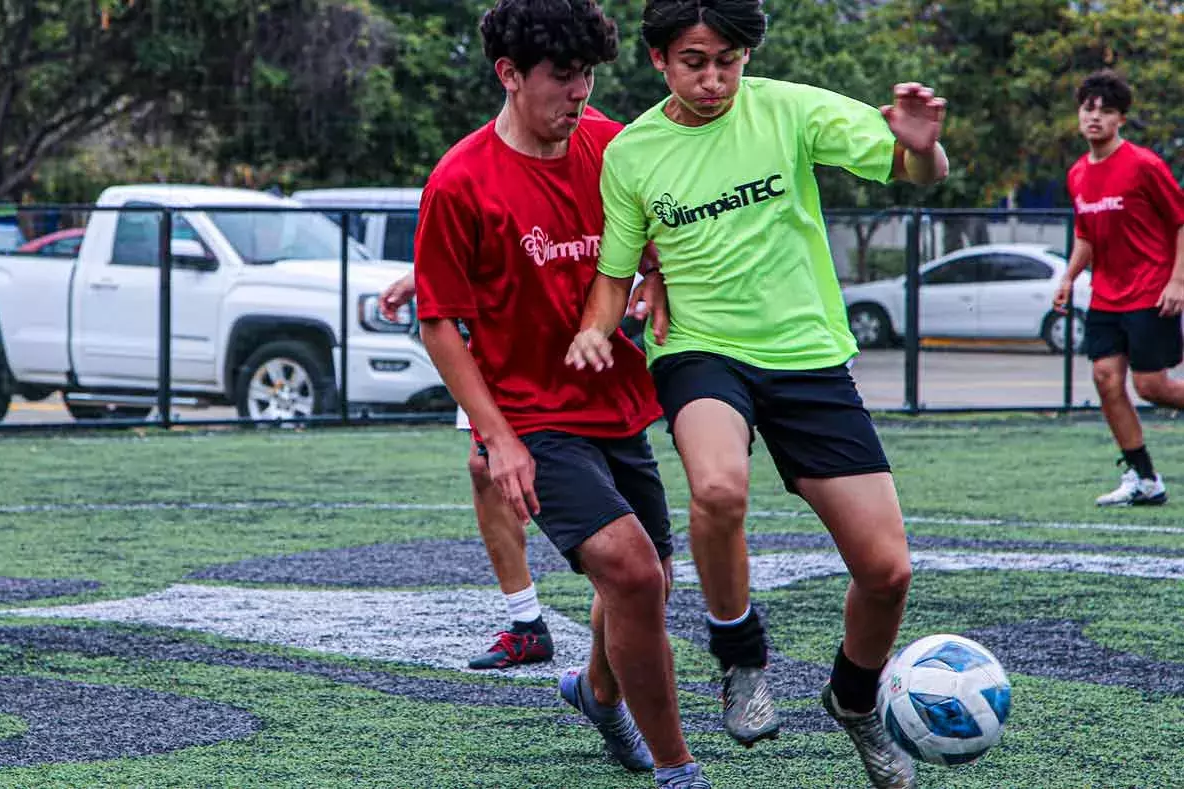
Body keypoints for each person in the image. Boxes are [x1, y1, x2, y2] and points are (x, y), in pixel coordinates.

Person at [566, 1, 948, 787]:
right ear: (658, 61)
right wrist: (597, 328)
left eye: (729, 60)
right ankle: (739, 651)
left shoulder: (791, 108)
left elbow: (915, 173)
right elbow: (616, 270)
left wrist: (924, 149)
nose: (714, 79)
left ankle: (853, 698)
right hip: (700, 349)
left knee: (888, 572)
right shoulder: (633, 152)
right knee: (715, 485)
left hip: (808, 359)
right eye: (696, 61)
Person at [414, 1, 708, 786]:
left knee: (650, 583)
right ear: (509, 75)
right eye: (560, 76)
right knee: (636, 573)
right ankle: (679, 769)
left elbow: (657, 239)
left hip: (617, 404)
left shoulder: (612, 145)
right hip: (533, 419)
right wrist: (496, 436)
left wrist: (657, 279)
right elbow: (440, 323)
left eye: (586, 74)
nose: (578, 92)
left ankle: (594, 689)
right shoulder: (459, 180)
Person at [377, 267, 663, 670]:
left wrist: (653, 268)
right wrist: (423, 274)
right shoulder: (461, 205)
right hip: (506, 341)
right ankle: (526, 619)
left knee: (644, 566)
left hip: (575, 328)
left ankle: (603, 677)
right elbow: (477, 233)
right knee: (483, 466)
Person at [1055, 69, 1184, 507]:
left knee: (1153, 387)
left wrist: (1177, 280)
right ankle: (1144, 478)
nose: (1095, 118)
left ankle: (1145, 477)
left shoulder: (1144, 165)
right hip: (1106, 295)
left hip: (1151, 290)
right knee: (1106, 380)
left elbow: (1181, 222)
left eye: (1106, 111)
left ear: (1120, 120)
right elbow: (1086, 236)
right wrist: (1069, 277)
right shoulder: (1076, 174)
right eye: (1088, 109)